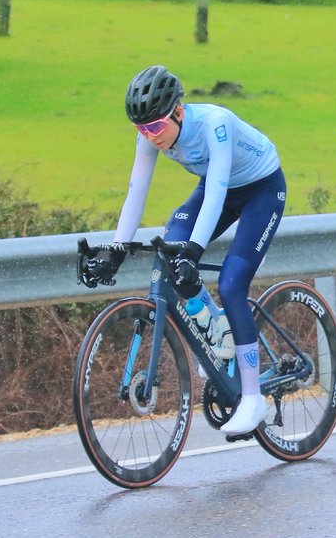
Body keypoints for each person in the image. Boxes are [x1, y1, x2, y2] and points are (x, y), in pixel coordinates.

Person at [80, 65, 285, 435]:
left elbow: (218, 190)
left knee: (232, 284)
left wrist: (194, 251)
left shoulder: (214, 125)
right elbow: (136, 192)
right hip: (218, 191)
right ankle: (219, 332)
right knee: (172, 241)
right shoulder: (150, 134)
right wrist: (116, 249)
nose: (150, 137)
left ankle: (253, 398)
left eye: (156, 127)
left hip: (261, 190)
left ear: (178, 110)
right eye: (142, 130)